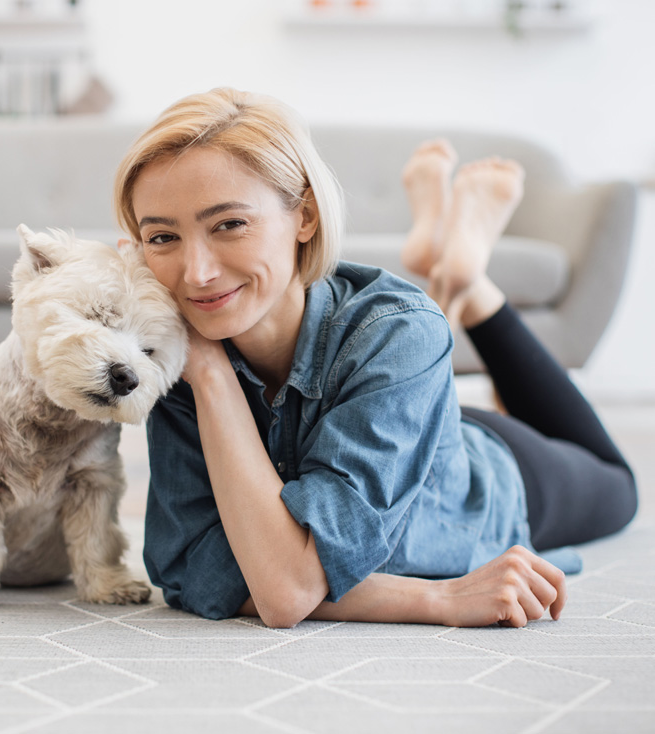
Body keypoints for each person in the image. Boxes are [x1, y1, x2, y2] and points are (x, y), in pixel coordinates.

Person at [113, 88, 637, 629]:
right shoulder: (177, 353)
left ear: (306, 216)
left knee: (620, 491)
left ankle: (470, 283)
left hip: (484, 469)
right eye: (162, 237)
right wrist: (435, 599)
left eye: (229, 224)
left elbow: (282, 589)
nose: (195, 273)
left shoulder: (398, 333)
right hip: (391, 410)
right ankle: (450, 259)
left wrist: (211, 378)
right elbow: (191, 570)